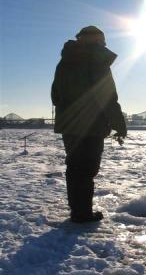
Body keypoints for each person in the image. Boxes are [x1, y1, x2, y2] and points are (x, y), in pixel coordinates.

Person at [51, 26, 127, 223]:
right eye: (103, 41)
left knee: (75, 167)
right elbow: (107, 97)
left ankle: (78, 211)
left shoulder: (65, 61)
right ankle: (83, 214)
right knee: (87, 169)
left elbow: (55, 95)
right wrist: (119, 124)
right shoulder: (97, 61)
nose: (105, 45)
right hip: (92, 125)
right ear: (97, 41)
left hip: (69, 124)